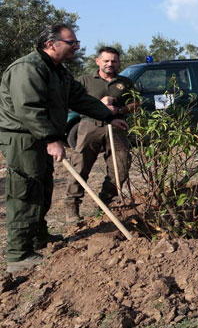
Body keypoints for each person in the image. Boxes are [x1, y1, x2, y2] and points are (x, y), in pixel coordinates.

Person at [0, 25, 128, 273]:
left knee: (43, 185)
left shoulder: (58, 71)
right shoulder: (28, 68)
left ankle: (38, 236)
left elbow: (78, 98)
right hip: (23, 137)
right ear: (51, 44)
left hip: (38, 136)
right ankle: (18, 254)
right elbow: (29, 108)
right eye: (72, 43)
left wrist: (107, 116)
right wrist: (51, 139)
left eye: (76, 42)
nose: (76, 47)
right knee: (25, 189)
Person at [64, 46, 138, 223]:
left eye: (113, 61)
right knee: (80, 166)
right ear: (97, 61)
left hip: (117, 127)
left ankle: (105, 201)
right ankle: (71, 206)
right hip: (90, 126)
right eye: (106, 60)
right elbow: (71, 103)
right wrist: (98, 105)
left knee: (120, 168)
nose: (109, 64)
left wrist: (119, 108)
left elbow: (136, 103)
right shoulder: (85, 80)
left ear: (119, 62)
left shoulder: (125, 83)